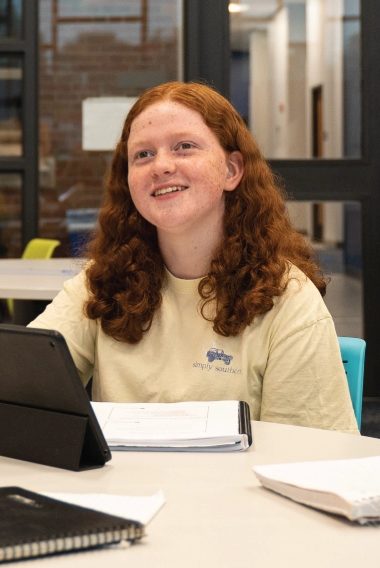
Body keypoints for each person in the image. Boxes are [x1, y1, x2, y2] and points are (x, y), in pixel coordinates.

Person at [29, 82, 357, 434]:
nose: (161, 166)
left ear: (231, 170)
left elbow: (306, 458)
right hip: (123, 488)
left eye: (184, 147)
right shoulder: (102, 283)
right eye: (142, 155)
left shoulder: (288, 299)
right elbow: (20, 383)